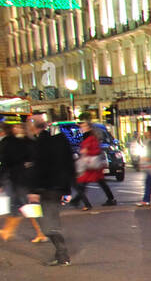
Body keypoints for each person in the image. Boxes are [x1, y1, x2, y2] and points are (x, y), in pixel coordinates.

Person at [25, 114, 75, 265]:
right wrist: (67, 189)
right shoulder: (57, 141)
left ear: (34, 127)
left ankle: (63, 256)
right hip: (56, 188)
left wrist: (33, 190)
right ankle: (60, 254)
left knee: (48, 224)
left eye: (28, 125)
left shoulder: (42, 144)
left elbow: (40, 168)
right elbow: (69, 166)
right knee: (47, 221)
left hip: (46, 189)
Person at [0, 121, 47, 243]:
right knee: (22, 204)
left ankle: (9, 230)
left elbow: (6, 163)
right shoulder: (22, 142)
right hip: (21, 178)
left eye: (20, 127)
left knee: (23, 204)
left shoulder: (14, 143)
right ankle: (9, 230)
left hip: (20, 179)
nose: (18, 129)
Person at [70, 119, 117, 210]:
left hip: (90, 164)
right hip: (93, 164)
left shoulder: (89, 138)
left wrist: (85, 153)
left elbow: (90, 150)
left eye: (84, 126)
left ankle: (82, 202)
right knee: (99, 182)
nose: (82, 128)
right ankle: (110, 199)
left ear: (89, 127)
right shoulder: (91, 136)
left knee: (83, 182)